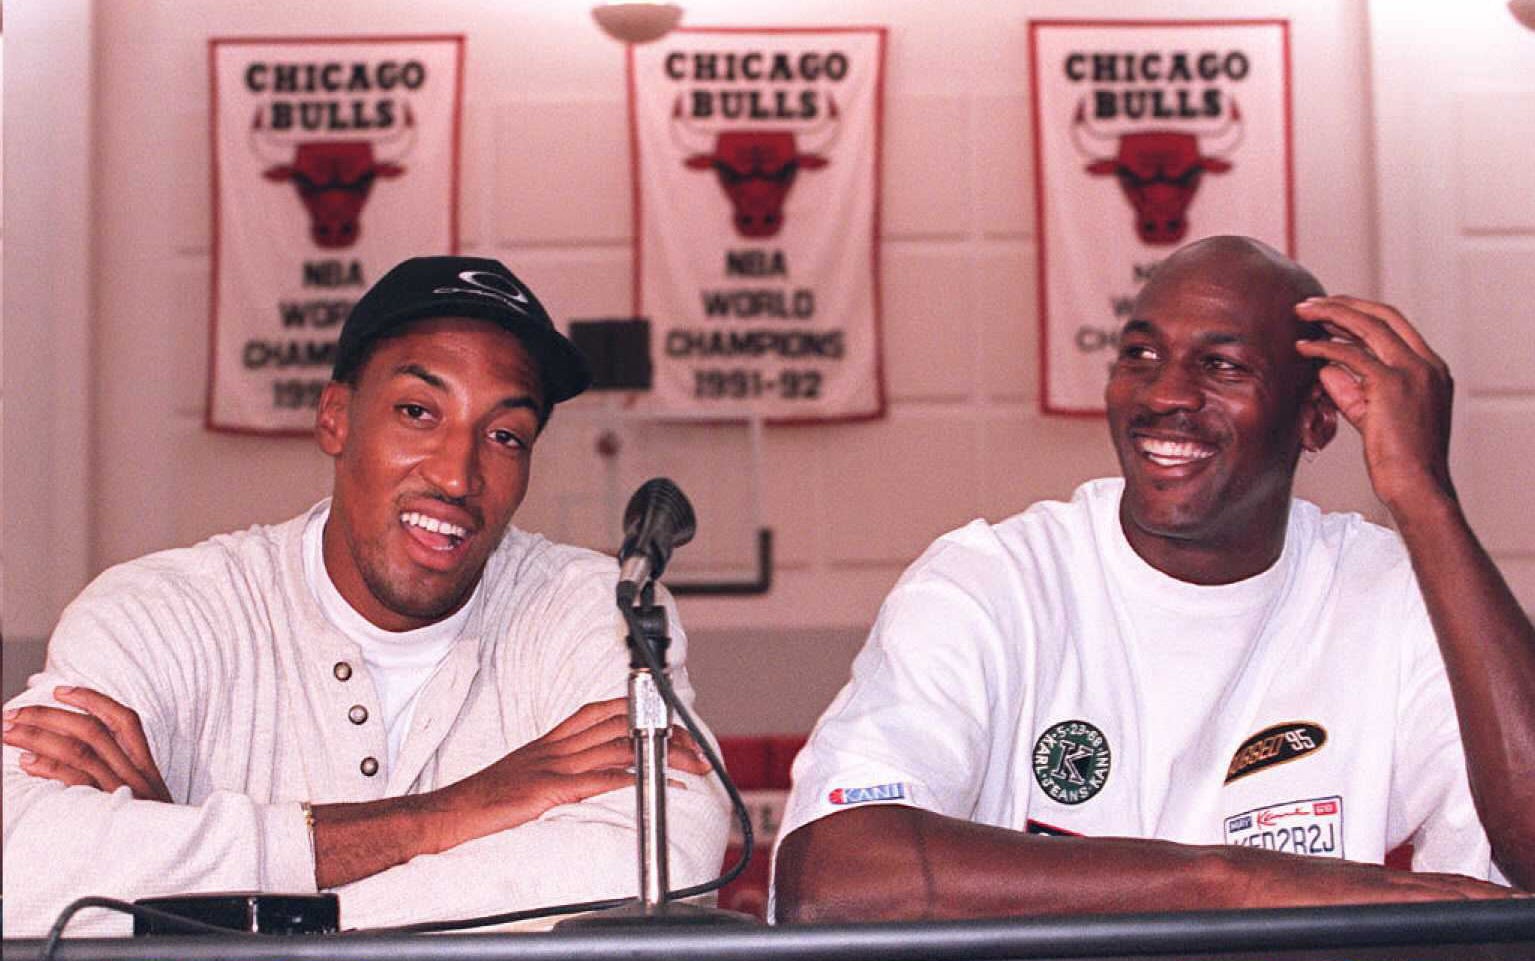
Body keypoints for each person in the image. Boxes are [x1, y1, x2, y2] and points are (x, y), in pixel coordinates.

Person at [771, 236, 1535, 922]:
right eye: (1139, 355)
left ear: (1314, 419)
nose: (1164, 394)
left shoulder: (1392, 595)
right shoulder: (992, 580)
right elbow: (830, 878)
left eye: (1221, 365)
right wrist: (1227, 885)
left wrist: (1424, 498)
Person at [2, 256, 730, 935]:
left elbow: (659, 863)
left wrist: (211, 918)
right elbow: (22, 861)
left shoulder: (595, 611)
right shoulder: (164, 610)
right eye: (418, 412)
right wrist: (435, 817)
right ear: (336, 418)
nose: (457, 474)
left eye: (505, 434)